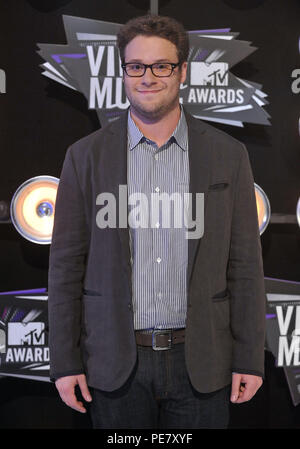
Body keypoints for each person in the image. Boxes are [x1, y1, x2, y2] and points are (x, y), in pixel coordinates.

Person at [48, 14, 266, 429]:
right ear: (123, 72)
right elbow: (65, 268)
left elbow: (245, 267)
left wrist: (249, 357)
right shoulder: (84, 156)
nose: (148, 77)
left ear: (182, 71)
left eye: (162, 65)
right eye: (136, 67)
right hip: (114, 367)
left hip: (202, 363)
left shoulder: (229, 155)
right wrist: (64, 361)